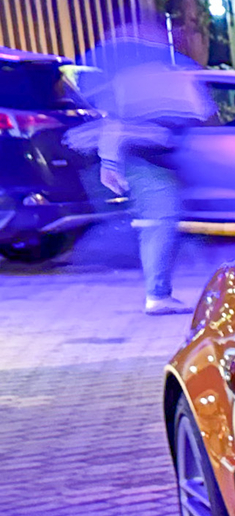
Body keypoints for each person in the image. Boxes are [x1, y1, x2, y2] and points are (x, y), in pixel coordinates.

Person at [77, 16, 210, 313]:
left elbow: (116, 122)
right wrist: (109, 162)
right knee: (159, 223)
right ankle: (157, 295)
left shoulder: (137, 77)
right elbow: (199, 113)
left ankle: (160, 288)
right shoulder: (167, 75)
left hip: (152, 162)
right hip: (150, 163)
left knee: (161, 222)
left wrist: (108, 163)